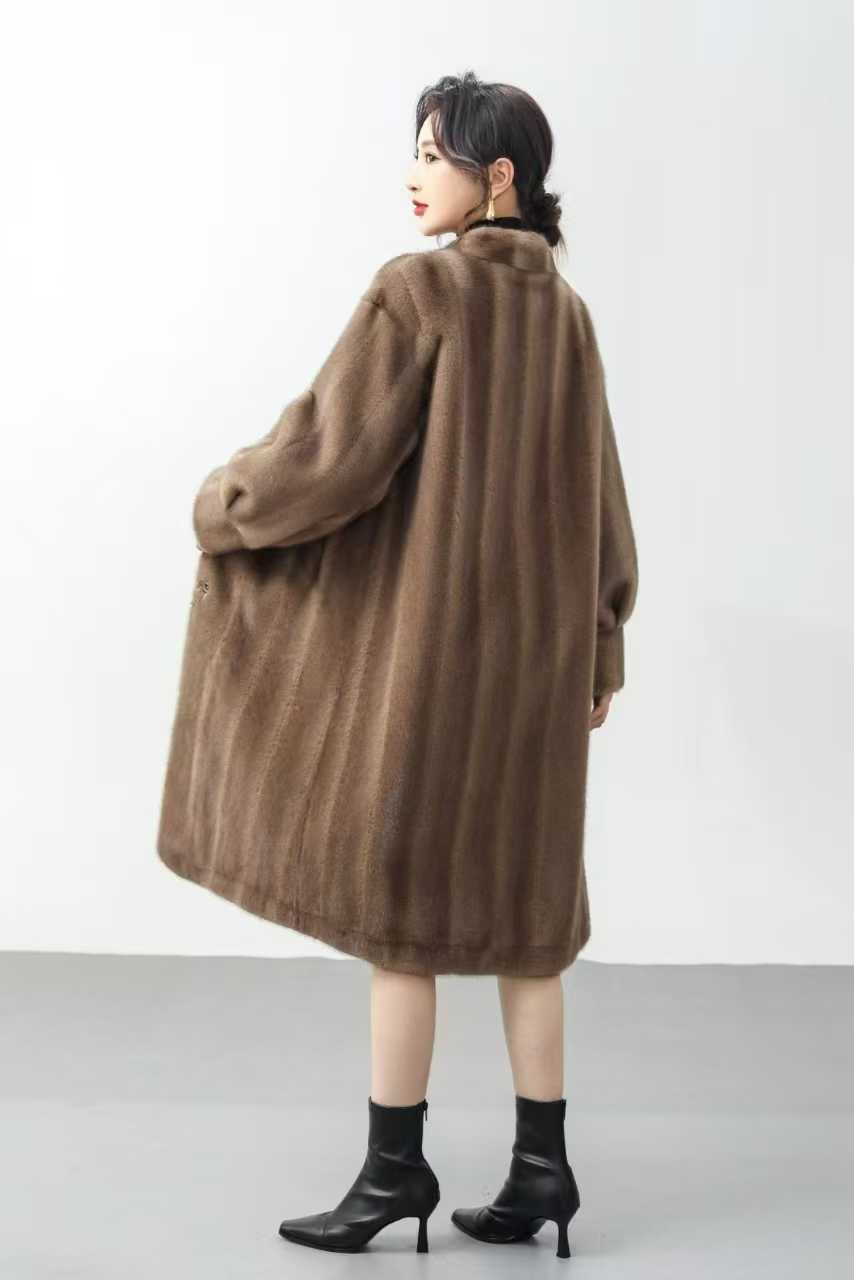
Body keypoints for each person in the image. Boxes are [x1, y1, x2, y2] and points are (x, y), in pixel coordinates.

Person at [157, 70, 639, 1259]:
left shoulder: (419, 292)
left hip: (436, 669)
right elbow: (603, 502)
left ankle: (391, 1174)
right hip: (535, 674)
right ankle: (541, 1172)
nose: (412, 174)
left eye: (432, 153)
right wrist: (600, 641)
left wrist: (225, 504)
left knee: (402, 926)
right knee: (529, 921)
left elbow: (327, 457)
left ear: (497, 175)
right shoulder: (566, 316)